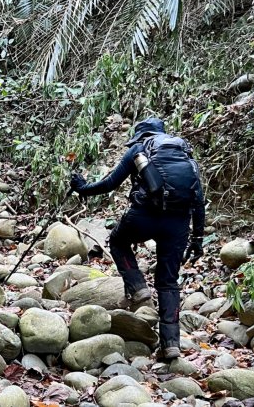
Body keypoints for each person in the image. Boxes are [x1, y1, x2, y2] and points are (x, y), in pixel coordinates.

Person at [70, 117, 205, 359]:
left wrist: (82, 187)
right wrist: (197, 238)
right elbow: (198, 198)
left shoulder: (139, 149)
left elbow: (110, 183)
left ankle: (139, 287)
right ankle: (171, 344)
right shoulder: (185, 154)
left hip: (144, 215)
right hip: (178, 223)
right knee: (168, 282)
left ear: (140, 135)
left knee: (118, 242)